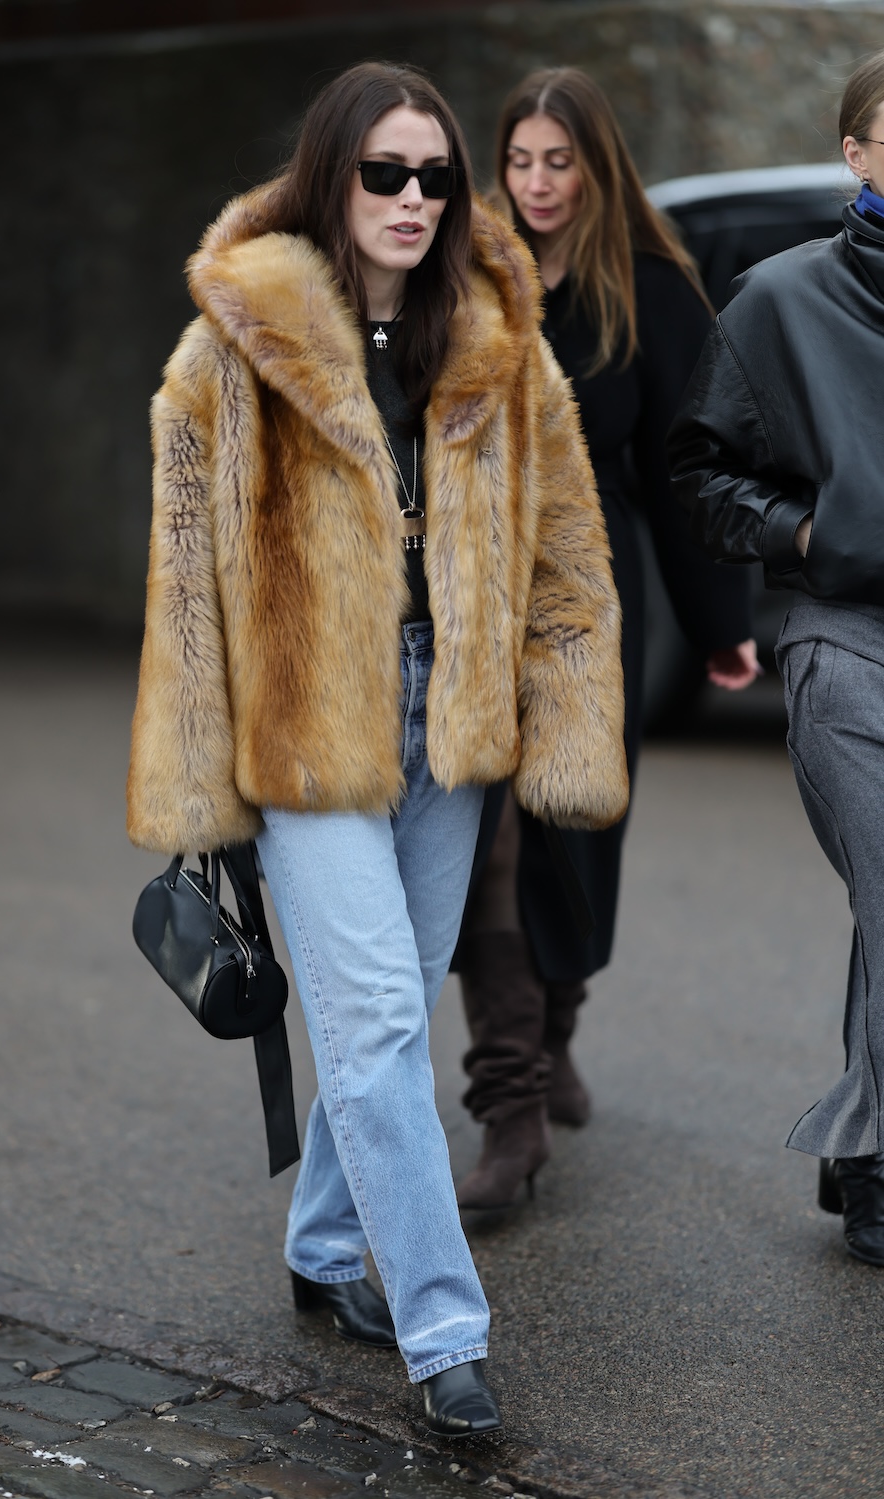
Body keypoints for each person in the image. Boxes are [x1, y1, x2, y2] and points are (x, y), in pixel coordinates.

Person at [126, 61, 629, 1432]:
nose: (414, 198)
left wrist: (567, 719)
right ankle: (444, 1330)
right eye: (384, 173)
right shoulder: (234, 347)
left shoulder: (499, 340)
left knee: (385, 1006)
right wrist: (198, 781)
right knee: (384, 1023)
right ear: (331, 176)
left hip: (446, 720)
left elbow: (566, 551)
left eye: (436, 177)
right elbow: (185, 584)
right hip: (304, 723)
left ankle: (322, 1244)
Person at [455, 67, 759, 1213]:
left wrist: (720, 624)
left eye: (559, 161)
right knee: (486, 843)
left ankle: (555, 1028)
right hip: (474, 594)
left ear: (596, 166)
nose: (536, 183)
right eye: (519, 159)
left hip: (591, 601)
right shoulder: (468, 272)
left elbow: (686, 470)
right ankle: (511, 1103)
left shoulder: (649, 286)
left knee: (572, 835)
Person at [668, 51, 884, 1267]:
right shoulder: (779, 298)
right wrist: (805, 532)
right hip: (845, 637)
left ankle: (864, 1144)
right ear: (854, 154)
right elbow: (699, 476)